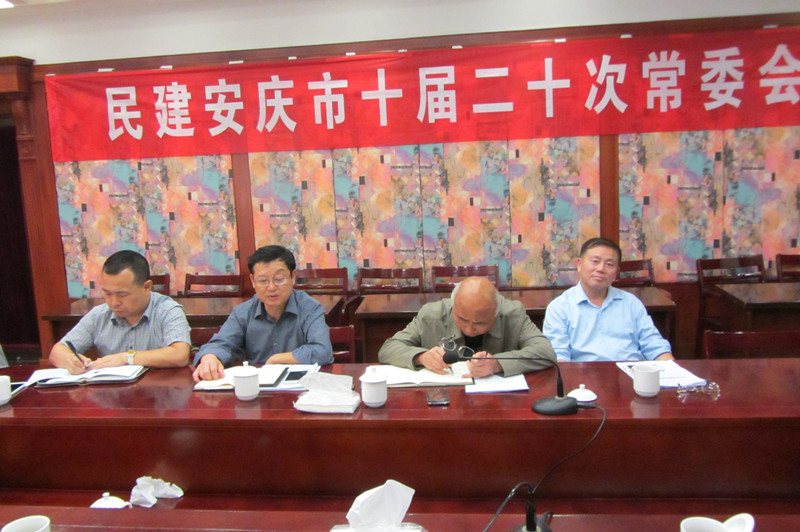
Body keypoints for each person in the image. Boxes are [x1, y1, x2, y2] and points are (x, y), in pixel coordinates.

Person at [192, 245, 333, 382]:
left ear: (293, 277)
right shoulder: (243, 312)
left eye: (279, 279)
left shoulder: (310, 308)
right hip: (257, 389)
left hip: (300, 386)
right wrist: (210, 357)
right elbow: (222, 343)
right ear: (253, 281)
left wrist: (277, 359)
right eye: (263, 280)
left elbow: (322, 350)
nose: (271, 287)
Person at [378, 276, 556, 377]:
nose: (469, 330)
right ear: (453, 306)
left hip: (497, 403)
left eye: (480, 323)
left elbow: (545, 352)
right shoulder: (432, 314)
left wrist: (497, 364)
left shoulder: (513, 313)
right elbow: (388, 349)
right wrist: (422, 357)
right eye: (462, 319)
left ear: (496, 312)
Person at [49, 250, 191, 374]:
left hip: (158, 391)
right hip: (112, 392)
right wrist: (70, 360)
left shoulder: (167, 310)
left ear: (147, 287)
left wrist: (127, 357)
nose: (114, 302)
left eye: (122, 294)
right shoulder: (99, 315)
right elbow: (57, 351)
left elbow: (180, 355)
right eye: (107, 293)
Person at [543, 237, 674, 362]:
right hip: (583, 375)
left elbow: (654, 345)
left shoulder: (631, 303)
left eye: (609, 264)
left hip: (631, 373)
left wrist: (673, 370)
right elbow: (559, 357)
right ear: (580, 264)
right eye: (595, 261)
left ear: (616, 271)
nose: (601, 269)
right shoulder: (559, 307)